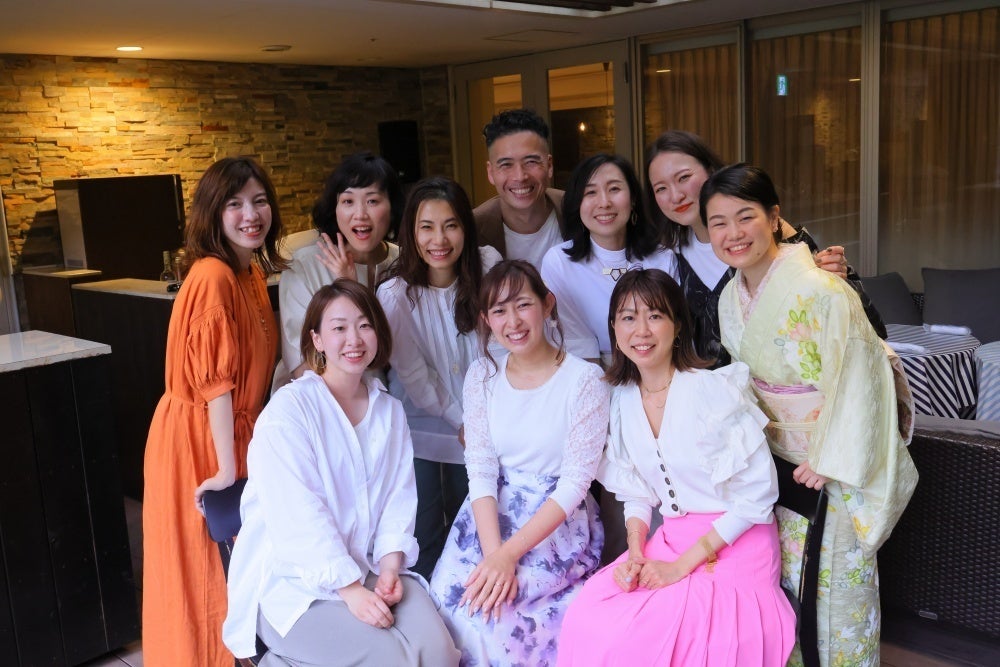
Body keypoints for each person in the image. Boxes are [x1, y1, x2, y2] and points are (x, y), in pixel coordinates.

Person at [704, 163, 918, 666]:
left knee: (835, 594)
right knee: (783, 588)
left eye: (746, 216)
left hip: (832, 468)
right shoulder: (730, 297)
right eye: (718, 223)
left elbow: (863, 375)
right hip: (771, 468)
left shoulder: (825, 290)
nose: (733, 233)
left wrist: (829, 456)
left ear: (774, 217)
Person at [558, 268, 796, 666]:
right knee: (588, 616)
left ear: (678, 325)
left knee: (652, 633)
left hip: (736, 544)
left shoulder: (712, 391)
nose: (641, 331)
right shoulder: (622, 400)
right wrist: (636, 551)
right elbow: (636, 491)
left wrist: (679, 568)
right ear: (614, 328)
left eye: (655, 316)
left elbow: (756, 497)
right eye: (628, 317)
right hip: (670, 540)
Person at [222, 280, 460, 667]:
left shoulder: (389, 412)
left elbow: (398, 501)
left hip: (368, 566)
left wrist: (389, 568)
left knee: (441, 654)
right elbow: (299, 518)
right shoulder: (289, 411)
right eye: (339, 327)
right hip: (294, 586)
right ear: (316, 339)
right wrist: (350, 590)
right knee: (393, 661)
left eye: (365, 325)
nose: (354, 339)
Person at [143, 156, 288, 667]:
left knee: (235, 570)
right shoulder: (213, 276)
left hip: (228, 433)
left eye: (259, 201)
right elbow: (216, 388)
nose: (251, 214)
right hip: (201, 439)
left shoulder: (248, 271)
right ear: (212, 212)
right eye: (235, 204)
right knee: (204, 572)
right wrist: (226, 469)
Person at [429, 260, 608, 667]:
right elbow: (481, 469)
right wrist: (495, 555)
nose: (513, 321)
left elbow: (575, 483)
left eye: (523, 304)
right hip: (488, 516)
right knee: (450, 607)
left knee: (501, 627)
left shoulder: (585, 380)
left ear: (547, 304)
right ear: (485, 320)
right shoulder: (481, 375)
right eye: (499, 310)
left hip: (555, 523)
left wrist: (509, 557)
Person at [644, 130, 887, 367]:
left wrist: (838, 277)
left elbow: (860, 326)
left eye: (683, 178)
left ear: (710, 170)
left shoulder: (766, 236)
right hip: (710, 390)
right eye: (661, 188)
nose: (675, 196)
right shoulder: (666, 256)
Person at [376, 176, 502, 578]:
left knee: (477, 524)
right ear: (410, 233)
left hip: (486, 423)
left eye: (451, 225)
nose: (439, 239)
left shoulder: (488, 266)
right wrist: (462, 420)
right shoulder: (395, 295)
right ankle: (428, 606)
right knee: (425, 526)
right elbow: (415, 376)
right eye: (426, 227)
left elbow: (501, 348)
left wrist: (480, 420)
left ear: (466, 227)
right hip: (423, 424)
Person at [275, 151, 404, 387]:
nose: (360, 214)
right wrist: (349, 287)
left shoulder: (404, 263)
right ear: (334, 209)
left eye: (372, 201)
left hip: (397, 398)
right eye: (348, 201)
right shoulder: (305, 266)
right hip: (318, 398)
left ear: (392, 208)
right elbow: (303, 366)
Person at [541, 153, 678, 364]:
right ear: (577, 203)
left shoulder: (663, 259)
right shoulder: (559, 263)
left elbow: (674, 332)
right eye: (590, 192)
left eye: (614, 189)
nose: (604, 203)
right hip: (587, 370)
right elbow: (575, 342)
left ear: (633, 198)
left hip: (657, 366)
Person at [473, 109, 565, 268]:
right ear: (490, 172)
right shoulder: (471, 229)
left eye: (531, 162)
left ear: (549, 166)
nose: (520, 176)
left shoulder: (579, 212)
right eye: (506, 164)